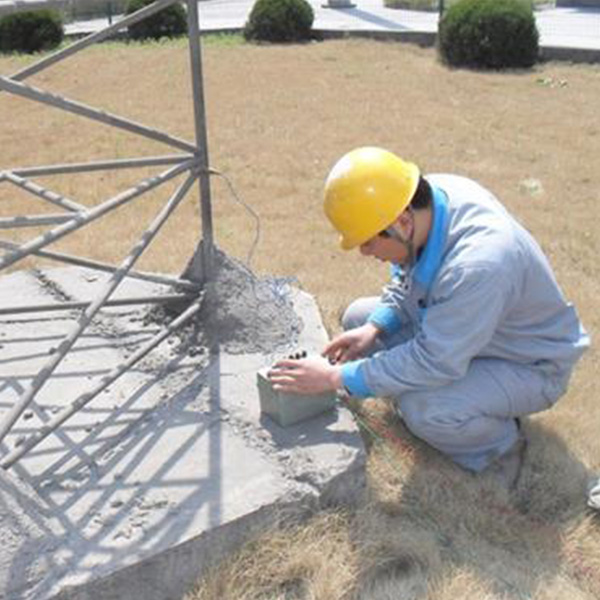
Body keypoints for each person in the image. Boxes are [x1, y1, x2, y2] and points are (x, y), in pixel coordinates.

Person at [268, 146, 590, 486]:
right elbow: (406, 279)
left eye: (367, 242)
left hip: (527, 364)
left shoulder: (478, 264)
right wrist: (376, 327)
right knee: (359, 318)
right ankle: (464, 397)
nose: (364, 252)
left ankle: (500, 449)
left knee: (422, 407)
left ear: (402, 223)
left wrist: (336, 379)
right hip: (473, 331)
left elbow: (435, 362)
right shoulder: (423, 201)